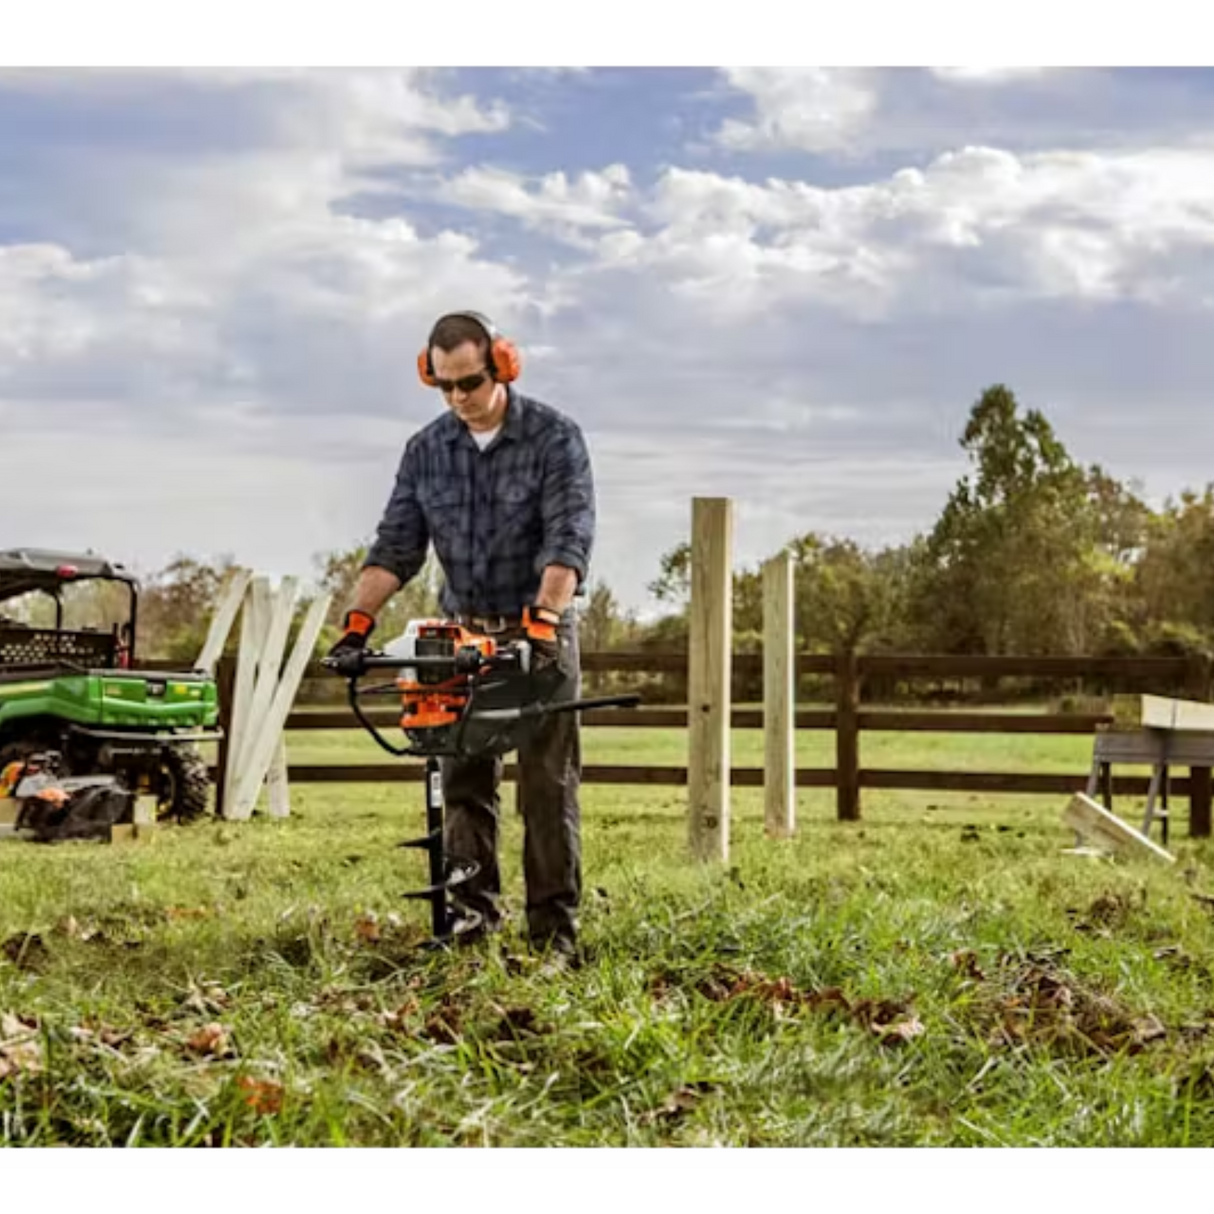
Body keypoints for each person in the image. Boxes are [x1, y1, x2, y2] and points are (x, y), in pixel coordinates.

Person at [327, 310, 596, 966]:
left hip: (538, 633)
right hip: (460, 638)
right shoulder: (427, 450)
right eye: (443, 386)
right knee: (463, 784)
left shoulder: (553, 437)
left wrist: (543, 619)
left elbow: (569, 536)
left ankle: (553, 937)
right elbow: (396, 545)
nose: (458, 399)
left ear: (502, 365)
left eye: (470, 382)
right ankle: (473, 927)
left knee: (545, 786)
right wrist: (357, 623)